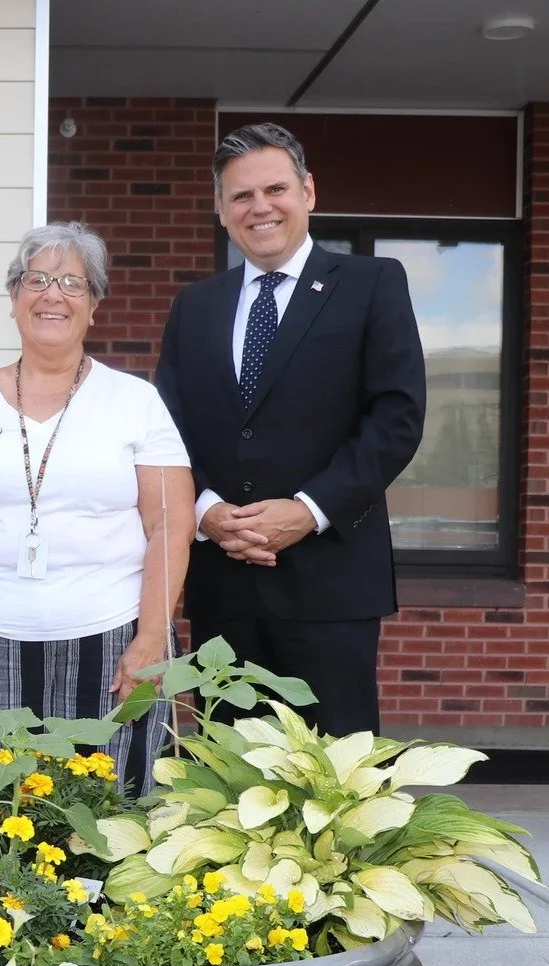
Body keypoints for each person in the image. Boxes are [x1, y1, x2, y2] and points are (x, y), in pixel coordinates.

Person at [155, 122, 425, 737]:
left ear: (308, 192)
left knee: (333, 775)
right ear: (222, 211)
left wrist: (308, 510)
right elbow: (166, 429)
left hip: (331, 583)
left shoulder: (373, 284)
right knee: (227, 772)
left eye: (275, 189)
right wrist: (204, 510)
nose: (260, 207)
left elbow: (397, 417)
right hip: (224, 583)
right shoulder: (195, 306)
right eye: (241, 196)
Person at [0, 223, 194, 791]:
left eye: (72, 283)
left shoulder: (136, 402)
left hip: (113, 639)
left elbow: (170, 524)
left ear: (94, 305)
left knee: (108, 812)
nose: (53, 295)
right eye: (36, 279)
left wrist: (151, 638)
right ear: (13, 297)